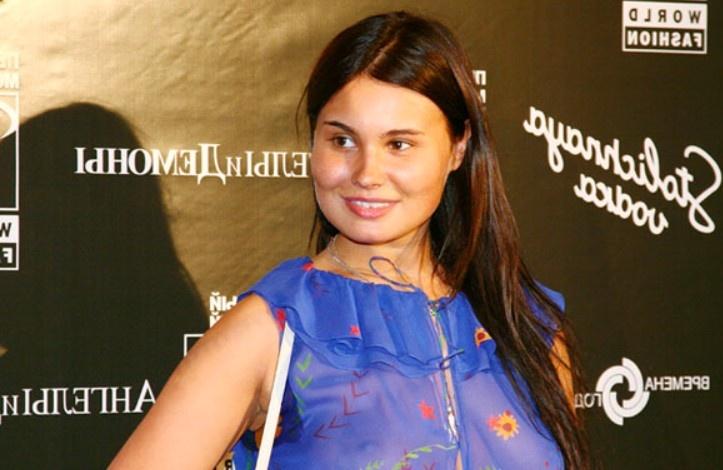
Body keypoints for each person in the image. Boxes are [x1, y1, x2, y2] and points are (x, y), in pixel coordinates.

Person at [111, 10, 590, 469]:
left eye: (398, 144)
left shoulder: (528, 328)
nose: (366, 174)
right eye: (342, 140)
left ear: (458, 148)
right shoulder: (274, 328)